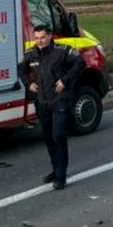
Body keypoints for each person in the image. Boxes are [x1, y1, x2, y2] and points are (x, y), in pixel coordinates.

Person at [18, 24, 86, 189]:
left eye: (42, 37)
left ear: (49, 36)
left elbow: (80, 63)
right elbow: (20, 69)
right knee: (48, 138)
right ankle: (55, 170)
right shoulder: (32, 54)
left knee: (58, 136)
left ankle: (61, 177)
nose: (39, 41)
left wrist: (65, 80)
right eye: (37, 38)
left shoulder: (61, 51)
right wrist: (28, 84)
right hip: (42, 102)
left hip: (60, 100)